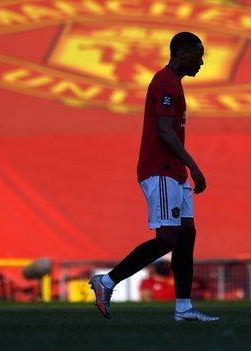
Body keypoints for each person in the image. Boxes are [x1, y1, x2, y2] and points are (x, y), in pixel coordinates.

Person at [89, 32, 219, 322]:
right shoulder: (165, 82)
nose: (201, 62)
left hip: (174, 171)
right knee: (168, 238)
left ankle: (184, 307)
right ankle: (107, 282)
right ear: (181, 53)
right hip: (160, 170)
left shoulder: (173, 83)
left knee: (186, 235)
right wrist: (194, 165)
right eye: (198, 55)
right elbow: (163, 130)